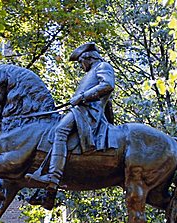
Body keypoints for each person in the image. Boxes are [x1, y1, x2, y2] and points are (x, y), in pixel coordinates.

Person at [26, 42, 116, 194]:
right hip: (80, 111)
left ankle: (53, 177)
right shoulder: (91, 72)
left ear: (89, 58)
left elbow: (108, 85)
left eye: (81, 61)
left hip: (88, 113)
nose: (81, 65)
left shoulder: (102, 67)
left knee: (60, 131)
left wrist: (82, 96)